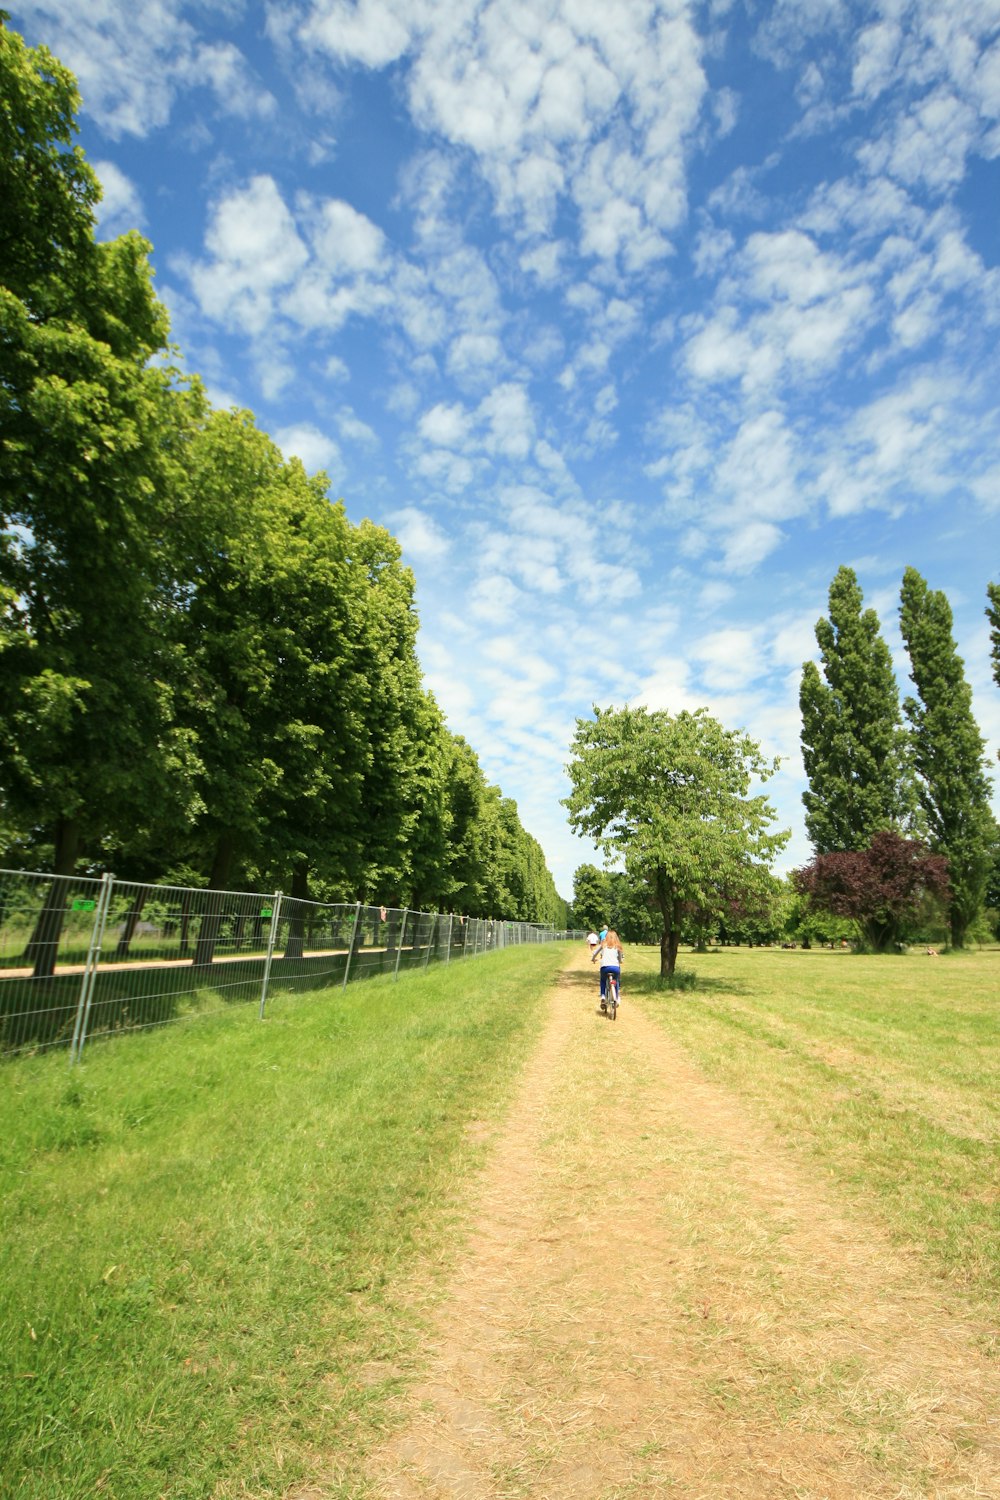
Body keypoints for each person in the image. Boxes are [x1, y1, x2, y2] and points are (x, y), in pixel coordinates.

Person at [591, 927, 623, 1009]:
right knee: (616, 981)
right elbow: (620, 959)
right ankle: (616, 998)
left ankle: (603, 996)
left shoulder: (603, 945)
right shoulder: (618, 946)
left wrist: (593, 959)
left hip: (604, 967)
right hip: (615, 968)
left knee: (603, 980)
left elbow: (595, 953)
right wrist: (620, 961)